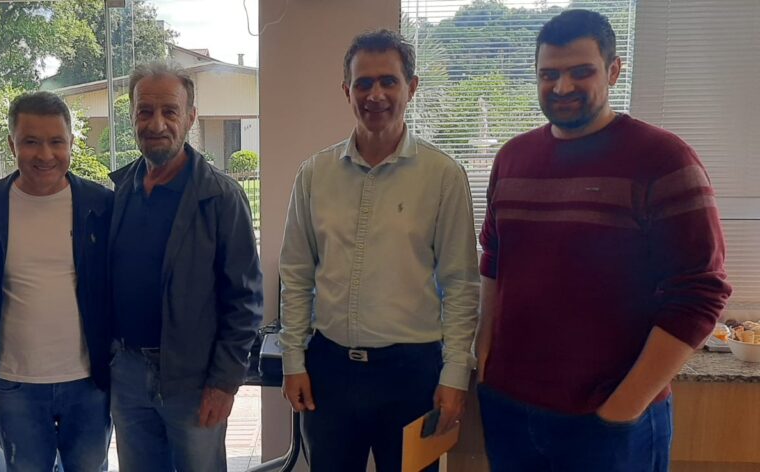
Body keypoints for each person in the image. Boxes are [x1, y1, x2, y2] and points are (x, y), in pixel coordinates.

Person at [475, 9, 732, 472]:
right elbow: (494, 263)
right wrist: (485, 358)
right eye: (548, 74)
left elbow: (701, 292)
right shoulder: (512, 158)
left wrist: (623, 407)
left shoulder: (664, 159)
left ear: (613, 70)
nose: (562, 87)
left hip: (610, 422)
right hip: (510, 409)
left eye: (581, 72)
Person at [279, 29, 480, 472]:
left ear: (412, 87)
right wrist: (293, 360)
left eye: (389, 81)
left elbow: (461, 284)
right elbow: (296, 275)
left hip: (413, 375)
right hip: (330, 370)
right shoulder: (314, 175)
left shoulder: (443, 176)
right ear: (346, 90)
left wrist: (455, 374)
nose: (376, 95)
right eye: (363, 83)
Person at [107, 61, 263, 472]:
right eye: (145, 111)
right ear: (132, 115)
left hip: (195, 379)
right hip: (127, 374)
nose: (156, 123)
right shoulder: (119, 192)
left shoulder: (221, 197)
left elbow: (245, 300)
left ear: (190, 117)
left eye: (169, 111)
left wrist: (225, 383)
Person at [0, 91, 112, 471]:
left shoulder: (101, 205)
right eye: (31, 142)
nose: (45, 154)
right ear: (11, 144)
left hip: (89, 381)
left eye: (56, 142)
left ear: (71, 143)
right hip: (15, 382)